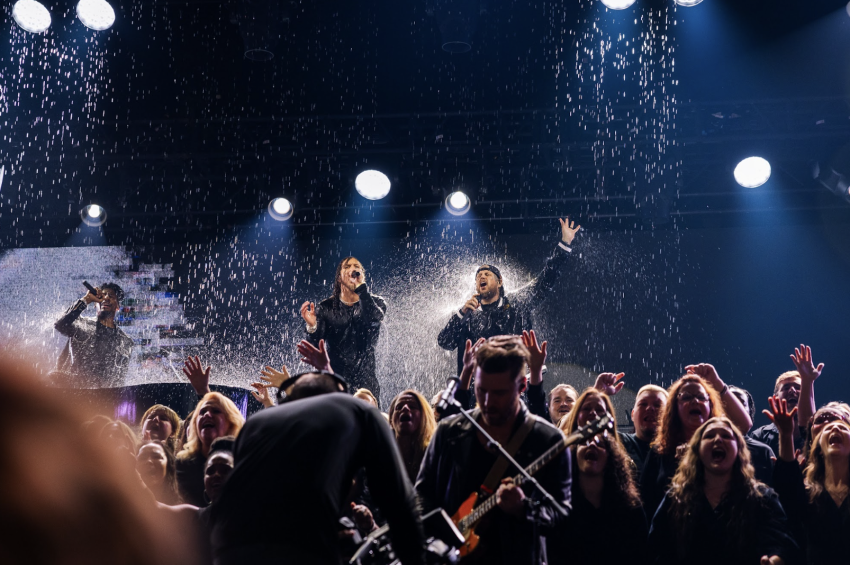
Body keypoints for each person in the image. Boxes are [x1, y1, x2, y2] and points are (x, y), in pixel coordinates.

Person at [210, 371, 425, 565]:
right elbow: (398, 501)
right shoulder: (358, 410)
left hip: (229, 546)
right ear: (337, 394)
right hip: (299, 550)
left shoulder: (255, 423)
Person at [416, 335, 571, 565]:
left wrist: (524, 509)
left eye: (499, 393)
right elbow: (421, 496)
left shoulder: (547, 440)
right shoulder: (449, 432)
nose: (487, 402)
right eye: (481, 390)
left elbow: (563, 515)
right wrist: (439, 538)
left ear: (522, 386)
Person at [437, 218, 581, 375]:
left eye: (487, 274)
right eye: (478, 276)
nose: (481, 277)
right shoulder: (468, 316)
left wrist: (565, 243)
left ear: (500, 282)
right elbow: (445, 342)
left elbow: (546, 279)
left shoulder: (517, 303)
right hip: (477, 393)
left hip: (515, 387)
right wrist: (461, 313)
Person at [647, 417, 797, 565]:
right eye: (709, 435)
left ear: (739, 450)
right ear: (697, 450)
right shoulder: (676, 498)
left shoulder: (762, 497)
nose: (718, 439)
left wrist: (775, 560)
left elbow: (783, 543)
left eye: (726, 436)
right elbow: (656, 548)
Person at [549, 394, 647, 565]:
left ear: (612, 457)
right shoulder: (555, 503)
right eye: (585, 441)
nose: (592, 444)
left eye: (600, 444)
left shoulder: (630, 507)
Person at [769, 396, 850, 564]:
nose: (833, 427)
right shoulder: (806, 494)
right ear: (818, 448)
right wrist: (786, 434)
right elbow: (787, 496)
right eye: (825, 426)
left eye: (841, 425)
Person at [300, 256, 387, 402]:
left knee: (367, 423)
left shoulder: (376, 303)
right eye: (347, 267)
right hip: (335, 379)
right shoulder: (326, 307)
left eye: (356, 267)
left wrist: (362, 291)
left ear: (362, 276)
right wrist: (312, 326)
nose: (353, 269)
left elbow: (372, 319)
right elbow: (315, 346)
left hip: (366, 382)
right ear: (339, 278)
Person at [640, 373, 725, 517]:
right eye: (686, 397)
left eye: (701, 397)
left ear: (710, 405)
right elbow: (644, 503)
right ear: (674, 407)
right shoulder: (659, 452)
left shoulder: (721, 449)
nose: (695, 401)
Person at [51, 282, 134, 388]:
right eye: (102, 296)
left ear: (117, 306)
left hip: (102, 399)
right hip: (73, 393)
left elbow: (119, 380)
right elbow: (60, 324)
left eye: (111, 296)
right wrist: (86, 300)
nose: (106, 298)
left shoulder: (126, 342)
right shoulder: (81, 324)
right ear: (96, 303)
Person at [751, 345, 823, 456]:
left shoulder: (821, 433)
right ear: (775, 399)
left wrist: (807, 381)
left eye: (798, 387)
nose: (792, 391)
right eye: (785, 388)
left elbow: (809, 425)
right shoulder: (760, 436)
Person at [176, 391, 244, 507]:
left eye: (216, 411)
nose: (207, 415)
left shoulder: (243, 464)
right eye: (202, 412)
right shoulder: (180, 465)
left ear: (231, 422)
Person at [388, 390, 437, 481]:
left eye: (412, 406)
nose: (405, 408)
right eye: (399, 407)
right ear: (391, 420)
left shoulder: (434, 455)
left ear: (424, 417)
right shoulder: (380, 455)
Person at [619, 384, 667, 477]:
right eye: (643, 404)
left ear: (669, 415)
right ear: (632, 415)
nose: (650, 408)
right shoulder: (618, 442)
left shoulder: (677, 451)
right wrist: (597, 394)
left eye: (657, 405)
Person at [137, 441, 182, 505]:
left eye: (156, 457)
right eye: (142, 458)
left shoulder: (181, 511)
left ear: (168, 465)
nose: (149, 461)